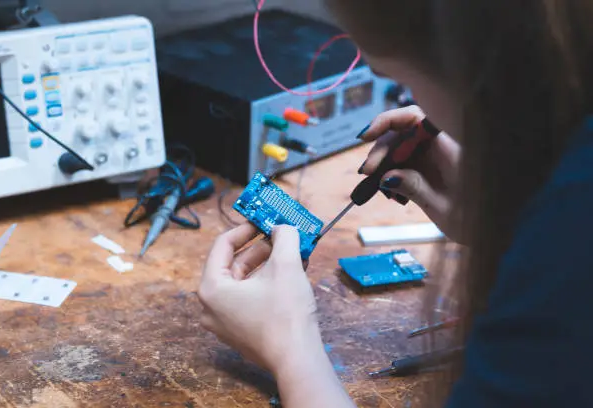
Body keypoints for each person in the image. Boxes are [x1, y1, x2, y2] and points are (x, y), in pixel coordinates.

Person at [198, 1, 593, 406]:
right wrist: (508, 224)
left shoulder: (571, 243)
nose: (415, 107)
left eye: (397, 81)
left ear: (471, 64)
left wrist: (289, 348)